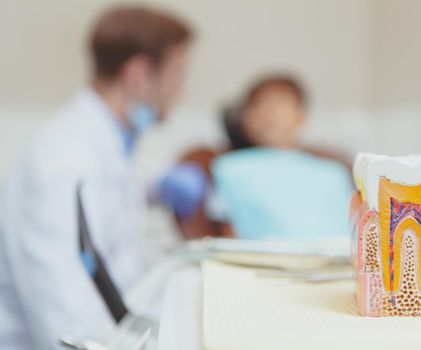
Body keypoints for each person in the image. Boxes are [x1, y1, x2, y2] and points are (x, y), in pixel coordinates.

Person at [0, 6, 201, 349]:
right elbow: (68, 326)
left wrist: (154, 191)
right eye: (178, 73)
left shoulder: (104, 143)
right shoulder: (65, 159)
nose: (180, 90)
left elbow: (100, 209)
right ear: (139, 74)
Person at [175, 75, 353, 238]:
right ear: (245, 118)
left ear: (301, 116)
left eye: (281, 103)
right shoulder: (226, 168)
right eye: (259, 105)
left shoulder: (333, 172)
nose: (269, 114)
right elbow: (223, 227)